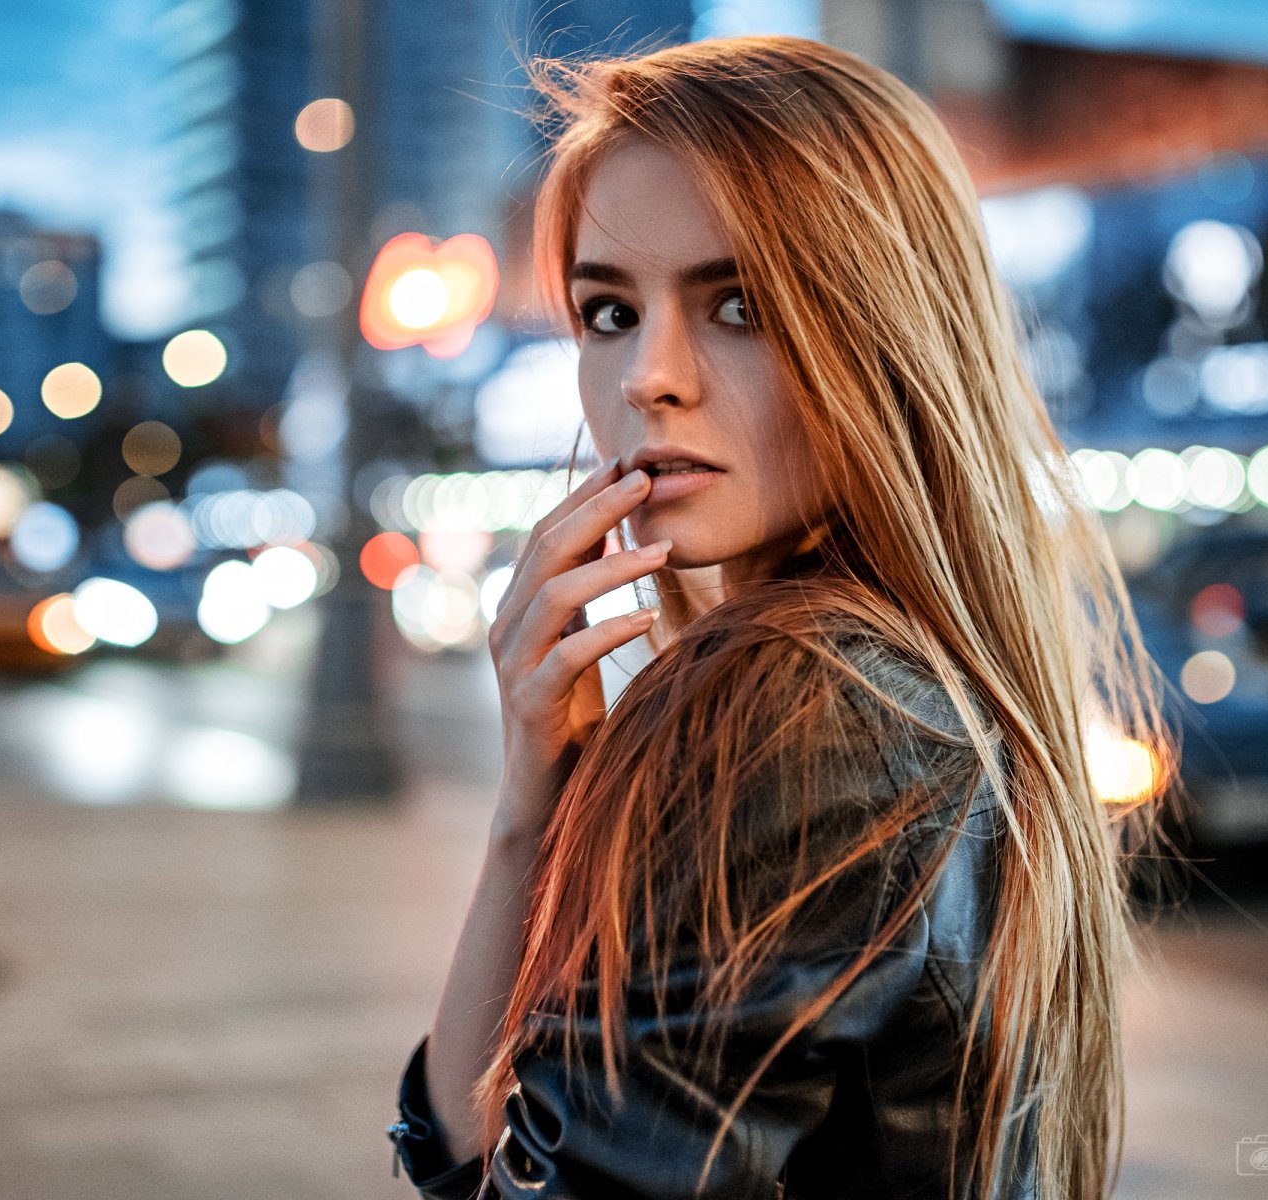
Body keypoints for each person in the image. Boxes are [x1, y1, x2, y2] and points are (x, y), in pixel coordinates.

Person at [387, 33, 1176, 1200]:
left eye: (739, 302)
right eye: (608, 313)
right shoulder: (913, 683)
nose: (651, 374)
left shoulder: (796, 705)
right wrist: (529, 811)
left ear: (886, 332)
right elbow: (469, 1152)